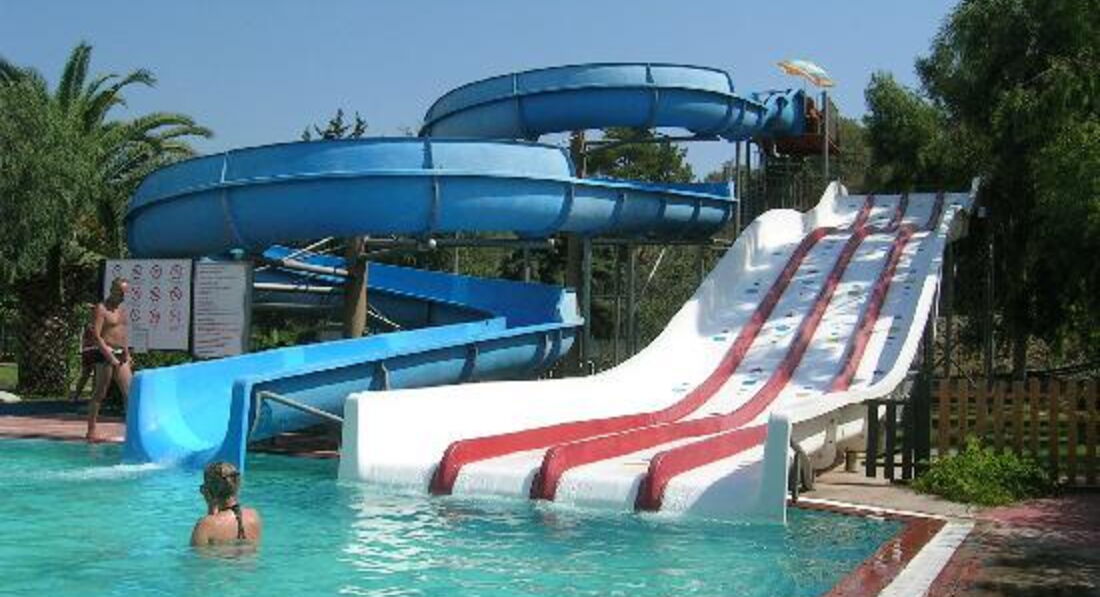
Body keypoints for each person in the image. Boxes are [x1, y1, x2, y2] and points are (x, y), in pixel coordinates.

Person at [85, 277, 132, 442]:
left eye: (125, 293)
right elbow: (96, 336)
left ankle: (132, 430)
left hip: (120, 352)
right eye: (120, 293)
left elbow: (123, 332)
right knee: (100, 393)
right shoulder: (101, 308)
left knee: (129, 393)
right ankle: (91, 430)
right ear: (112, 290)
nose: (122, 297)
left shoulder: (121, 309)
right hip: (105, 353)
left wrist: (127, 352)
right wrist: (110, 357)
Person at [191, 462, 263, 547]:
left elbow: (198, 554)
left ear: (208, 490)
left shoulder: (205, 525)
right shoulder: (254, 516)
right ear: (237, 485)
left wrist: (211, 506)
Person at [69, 314, 98, 403]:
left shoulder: (95, 323)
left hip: (92, 351)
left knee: (93, 375)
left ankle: (91, 397)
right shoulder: (89, 325)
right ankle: (77, 396)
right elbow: (83, 338)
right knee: (88, 375)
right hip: (90, 352)